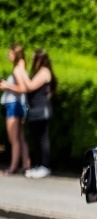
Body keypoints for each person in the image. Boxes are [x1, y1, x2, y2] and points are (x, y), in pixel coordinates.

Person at [13, 49, 56, 179]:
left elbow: (30, 86)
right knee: (36, 139)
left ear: (40, 59)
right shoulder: (39, 72)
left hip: (41, 111)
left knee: (42, 139)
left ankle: (45, 166)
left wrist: (22, 71)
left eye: (34, 59)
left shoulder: (44, 72)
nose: (32, 62)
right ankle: (38, 165)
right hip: (34, 110)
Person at [0, 44, 29, 175]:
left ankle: (13, 167)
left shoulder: (17, 70)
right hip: (18, 104)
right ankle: (25, 164)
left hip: (13, 104)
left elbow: (22, 88)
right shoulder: (20, 68)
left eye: (10, 53)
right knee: (20, 138)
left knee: (14, 139)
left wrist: (7, 86)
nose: (8, 55)